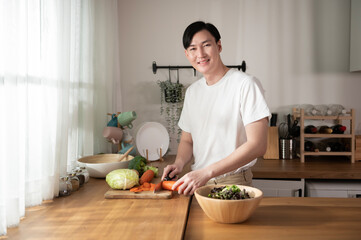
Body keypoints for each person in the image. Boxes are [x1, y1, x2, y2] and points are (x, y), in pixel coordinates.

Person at [162, 21, 270, 196]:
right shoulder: (192, 92)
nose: (201, 54)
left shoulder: (245, 84)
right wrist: (179, 163)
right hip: (197, 182)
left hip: (232, 182)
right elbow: (187, 140)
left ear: (219, 46)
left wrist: (207, 172)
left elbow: (258, 145)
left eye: (206, 45)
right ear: (187, 54)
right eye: (193, 49)